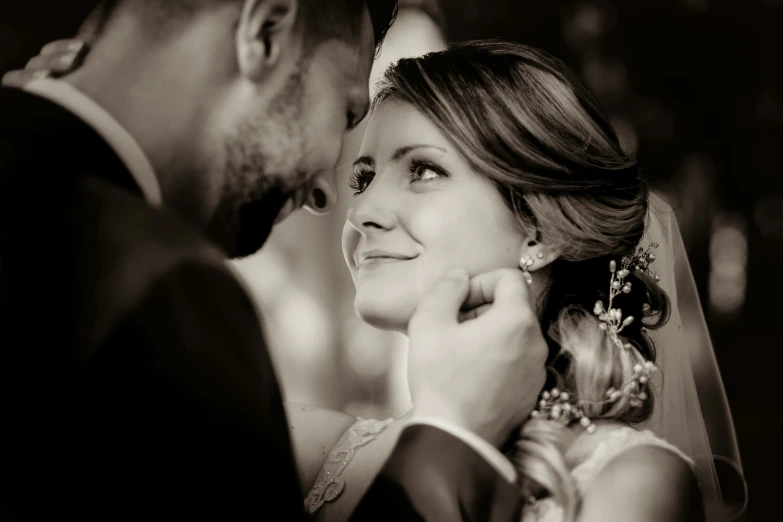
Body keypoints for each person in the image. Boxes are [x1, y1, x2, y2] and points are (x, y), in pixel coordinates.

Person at [0, 2, 549, 520]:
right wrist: (452, 435)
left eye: (422, 171)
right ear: (264, 32)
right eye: (344, 108)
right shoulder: (158, 284)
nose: (328, 197)